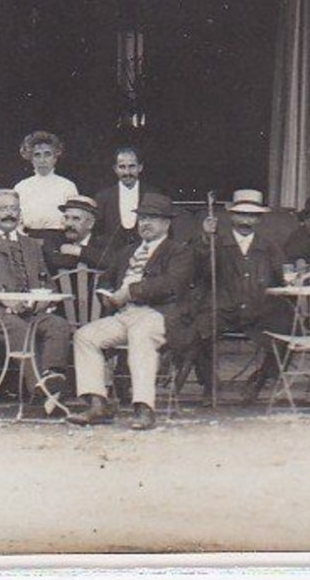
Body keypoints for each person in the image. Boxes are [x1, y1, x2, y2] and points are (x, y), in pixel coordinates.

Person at [67, 193, 197, 431]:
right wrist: (107, 296)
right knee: (85, 335)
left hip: (160, 315)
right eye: (142, 218)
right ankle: (98, 404)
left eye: (152, 219)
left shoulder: (178, 251)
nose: (145, 224)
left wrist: (130, 292)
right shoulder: (128, 251)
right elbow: (106, 280)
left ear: (166, 223)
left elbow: (171, 284)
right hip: (125, 314)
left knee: (141, 334)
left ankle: (144, 408)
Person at [0, 189, 75, 416]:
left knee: (57, 324)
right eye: (3, 208)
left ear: (20, 213)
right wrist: (5, 299)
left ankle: (50, 382)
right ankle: (43, 397)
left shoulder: (31, 244)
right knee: (18, 328)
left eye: (13, 209)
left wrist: (41, 301)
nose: (9, 214)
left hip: (29, 312)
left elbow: (47, 283)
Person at [198, 189, 293, 403]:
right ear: (232, 216)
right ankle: (210, 384)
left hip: (259, 308)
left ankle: (260, 380)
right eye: (241, 214)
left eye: (251, 215)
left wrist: (290, 279)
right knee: (199, 325)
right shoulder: (217, 242)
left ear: (258, 218)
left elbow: (284, 275)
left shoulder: (269, 246)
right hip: (224, 307)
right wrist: (206, 239)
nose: (246, 219)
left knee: (289, 324)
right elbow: (202, 271)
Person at [13, 131, 79, 246]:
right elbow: (16, 220)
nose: (42, 160)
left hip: (59, 241)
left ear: (55, 157)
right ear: (31, 158)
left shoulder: (67, 186)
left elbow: (74, 219)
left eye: (47, 154)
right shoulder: (21, 187)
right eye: (37, 155)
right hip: (29, 240)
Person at [94, 146, 147, 264]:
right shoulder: (103, 197)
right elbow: (98, 232)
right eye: (122, 167)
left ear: (140, 167)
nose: (127, 172)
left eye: (132, 166)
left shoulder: (151, 194)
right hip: (112, 261)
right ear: (115, 169)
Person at [42, 194, 106, 274]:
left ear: (91, 224)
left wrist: (78, 251)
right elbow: (54, 261)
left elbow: (110, 262)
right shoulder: (54, 238)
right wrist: (90, 258)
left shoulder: (103, 241)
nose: (69, 223)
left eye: (76, 218)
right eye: (66, 218)